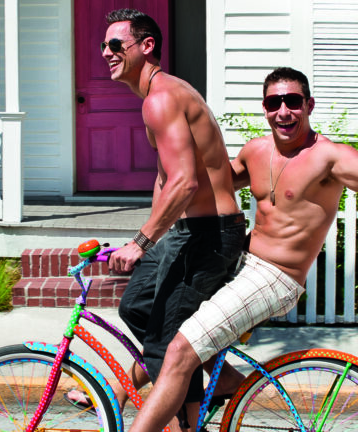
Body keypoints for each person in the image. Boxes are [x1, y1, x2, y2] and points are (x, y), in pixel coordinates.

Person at [125, 67, 358, 432]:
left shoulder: (328, 158)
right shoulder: (256, 152)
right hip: (238, 263)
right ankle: (143, 391)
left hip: (274, 278)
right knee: (161, 323)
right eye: (274, 103)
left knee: (179, 351)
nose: (283, 112)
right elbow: (209, 176)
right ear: (265, 108)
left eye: (292, 101)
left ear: (309, 105)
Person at [91, 8, 247, 430]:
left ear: (147, 46)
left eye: (115, 45)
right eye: (103, 46)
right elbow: (165, 181)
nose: (106, 52)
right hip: (186, 232)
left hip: (209, 235)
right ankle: (225, 380)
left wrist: (140, 243)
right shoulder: (158, 97)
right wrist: (148, 238)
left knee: (166, 343)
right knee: (137, 306)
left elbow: (184, 183)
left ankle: (184, 422)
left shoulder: (161, 98)